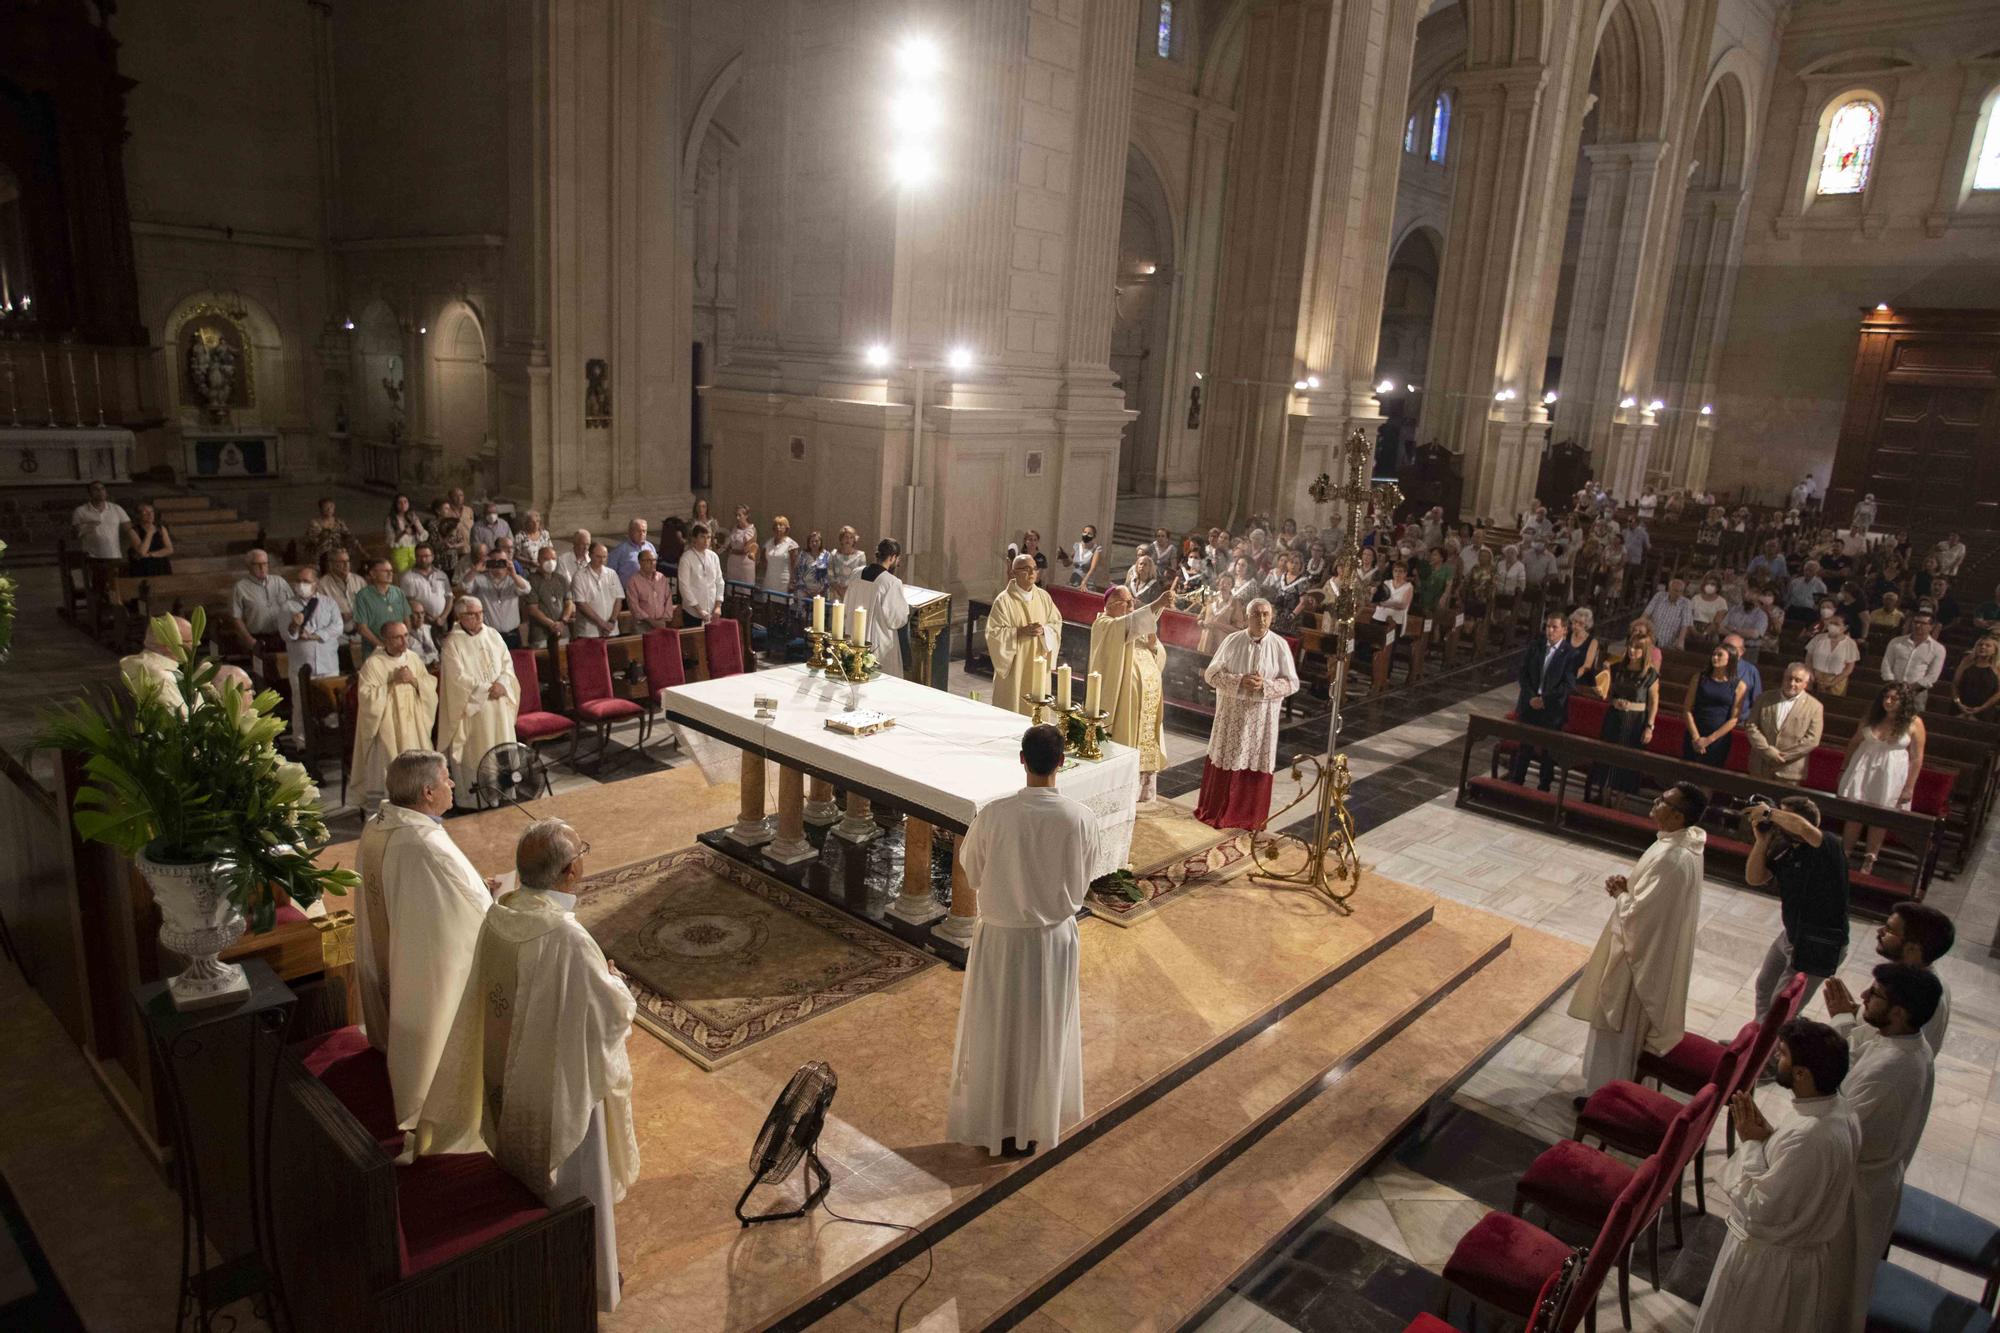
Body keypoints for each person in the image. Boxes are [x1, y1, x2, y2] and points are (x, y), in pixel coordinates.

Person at [418, 819, 638, 1312]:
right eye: (581, 850)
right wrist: (618, 983)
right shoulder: (566, 936)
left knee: (521, 1156)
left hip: (512, 1077)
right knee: (578, 1182)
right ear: (571, 872)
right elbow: (608, 1015)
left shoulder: (501, 913)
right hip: (561, 1085)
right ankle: (587, 1276)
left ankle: (531, 1243)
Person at [946, 724, 1096, 1158]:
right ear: (1063, 763)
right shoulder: (1080, 818)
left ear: (1022, 761)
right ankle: (1034, 1122)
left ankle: (995, 1123)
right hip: (1053, 942)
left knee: (996, 1028)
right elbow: (1084, 880)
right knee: (1044, 1030)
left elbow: (972, 873)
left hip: (1002, 939)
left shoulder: (994, 815)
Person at [355, 750, 494, 1152]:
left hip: (395, 945)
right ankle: (433, 1093)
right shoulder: (425, 843)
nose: (453, 784)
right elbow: (472, 911)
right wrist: (494, 904)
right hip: (426, 958)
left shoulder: (379, 824)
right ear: (428, 791)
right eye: (447, 779)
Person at [1691, 1019, 1858, 1333]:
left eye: (1782, 1055)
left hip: (1768, 1269)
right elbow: (1795, 1176)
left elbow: (1761, 1208)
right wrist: (1769, 1138)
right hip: (1790, 1259)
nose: (1775, 1059)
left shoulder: (1812, 1135)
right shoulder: (1838, 1111)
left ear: (1801, 1073)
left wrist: (1752, 1143)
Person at [1820, 964, 1942, 1333]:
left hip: (1853, 1194)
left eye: (1874, 995)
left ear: (1900, 1013)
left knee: (1829, 1297)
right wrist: (1844, 1022)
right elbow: (1857, 1064)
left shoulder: (1893, 1067)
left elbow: (1835, 1121)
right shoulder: (1907, 1044)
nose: (1863, 998)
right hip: (1871, 1182)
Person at [1568, 782, 1708, 1097]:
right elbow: (1650, 900)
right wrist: (1629, 886)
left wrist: (1620, 894)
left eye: (1664, 800)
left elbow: (1639, 918)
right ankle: (1604, 1090)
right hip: (1647, 951)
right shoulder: (1678, 843)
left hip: (1639, 960)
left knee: (1619, 1030)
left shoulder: (1672, 857)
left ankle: (1607, 1096)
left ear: (1677, 816)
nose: (1656, 800)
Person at [1746, 795, 1850, 1034]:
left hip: (1820, 942)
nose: (1777, 822)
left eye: (1784, 816)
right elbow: (1754, 878)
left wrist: (1769, 812)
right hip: (1792, 934)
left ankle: (1767, 1059)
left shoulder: (1828, 845)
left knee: (1781, 1009)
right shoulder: (1784, 849)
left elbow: (1803, 828)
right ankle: (1756, 1040)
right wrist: (1762, 841)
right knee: (1765, 986)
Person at [1194, 599, 1299, 831]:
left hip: (1263, 720)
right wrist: (1240, 681)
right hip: (1231, 716)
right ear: (1247, 617)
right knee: (1227, 759)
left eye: (1266, 615)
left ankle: (1249, 817)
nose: (1261, 619)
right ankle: (1219, 812)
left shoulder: (1280, 645)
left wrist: (1265, 686)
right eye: (1256, 614)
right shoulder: (1233, 641)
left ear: (1271, 617)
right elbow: (1211, 675)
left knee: (1254, 761)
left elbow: (1292, 683)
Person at [1089, 584, 1169, 804]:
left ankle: (1145, 794)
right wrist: (1158, 604)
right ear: (1110, 604)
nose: (1131, 606)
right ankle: (1120, 797)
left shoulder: (1134, 625)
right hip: (1125, 702)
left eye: (1133, 602)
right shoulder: (1104, 624)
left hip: (1147, 702)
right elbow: (1124, 627)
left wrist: (1153, 643)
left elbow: (1158, 654)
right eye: (1127, 602)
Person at [350, 621, 440, 808]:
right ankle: (388, 813)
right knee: (390, 767)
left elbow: (429, 686)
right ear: (385, 640)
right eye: (397, 637)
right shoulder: (373, 664)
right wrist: (393, 681)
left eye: (406, 635)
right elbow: (367, 699)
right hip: (386, 729)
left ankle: (418, 808)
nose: (404, 641)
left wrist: (414, 680)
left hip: (414, 725)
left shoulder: (413, 659)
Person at [1837, 684, 1925, 873]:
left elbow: (1917, 758)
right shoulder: (1872, 717)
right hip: (1863, 767)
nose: (1888, 701)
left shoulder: (1914, 722)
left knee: (1880, 816)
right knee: (1855, 812)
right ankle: (1845, 853)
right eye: (1886, 697)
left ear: (1904, 701)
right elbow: (1854, 742)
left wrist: (1909, 787)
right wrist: (1843, 768)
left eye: (1894, 698)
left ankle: (1870, 859)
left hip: (1891, 772)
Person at [438, 597, 521, 793]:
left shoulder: (492, 635)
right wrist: (487, 688)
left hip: (499, 705)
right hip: (475, 711)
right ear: (460, 616)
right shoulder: (452, 642)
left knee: (503, 749)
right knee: (478, 752)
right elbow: (456, 678)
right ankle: (480, 798)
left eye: (481, 612)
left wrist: (502, 683)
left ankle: (505, 792)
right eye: (472, 614)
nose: (478, 617)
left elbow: (507, 663)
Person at [1869, 904, 1955, 1055]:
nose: (1879, 931)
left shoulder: (1919, 994)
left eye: (1889, 930)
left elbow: (1886, 1046)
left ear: (1912, 949)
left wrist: (1844, 1018)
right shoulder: (1906, 976)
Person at [986, 555, 1063, 716]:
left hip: (1038, 661)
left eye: (1034, 568)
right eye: (1026, 569)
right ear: (1014, 573)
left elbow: (1056, 623)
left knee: (1038, 709)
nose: (1032, 572)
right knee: (1014, 705)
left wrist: (1044, 631)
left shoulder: (1043, 596)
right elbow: (994, 633)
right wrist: (1019, 632)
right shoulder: (1003, 601)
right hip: (1016, 665)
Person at [1509, 612, 1577, 791]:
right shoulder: (1535, 646)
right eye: (1547, 626)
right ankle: (1516, 783)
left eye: (1554, 627)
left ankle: (1544, 787)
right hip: (1530, 705)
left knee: (1548, 752)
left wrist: (1544, 699)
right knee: (1525, 746)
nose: (1550, 630)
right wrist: (1531, 696)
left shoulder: (1570, 654)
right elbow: (1523, 674)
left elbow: (1568, 685)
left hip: (1551, 709)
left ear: (1564, 630)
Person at [1592, 627, 1658, 798]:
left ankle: (1620, 800)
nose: (1632, 651)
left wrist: (1649, 726)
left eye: (1637, 648)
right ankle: (1603, 795)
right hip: (1614, 716)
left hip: (1635, 720)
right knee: (1608, 754)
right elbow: (1607, 694)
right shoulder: (1617, 668)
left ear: (1644, 652)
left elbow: (1653, 702)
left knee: (1627, 760)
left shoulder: (1650, 674)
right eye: (1630, 646)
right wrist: (1603, 693)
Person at [282, 565, 343, 741]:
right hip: (301, 665)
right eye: (299, 581)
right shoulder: (288, 606)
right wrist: (295, 625)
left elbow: (337, 627)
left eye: (306, 581)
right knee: (301, 704)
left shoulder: (329, 603)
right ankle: (302, 741)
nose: (302, 584)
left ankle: (331, 739)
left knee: (330, 703)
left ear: (315, 584)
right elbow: (287, 634)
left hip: (328, 663)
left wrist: (315, 635)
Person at [1746, 662, 1824, 784]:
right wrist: (1766, 751)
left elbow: (1812, 740)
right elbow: (1752, 726)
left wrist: (1782, 757)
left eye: (1797, 680)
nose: (1792, 683)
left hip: (1789, 771)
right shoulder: (1764, 698)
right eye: (1789, 678)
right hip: (1760, 766)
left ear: (1805, 684)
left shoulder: (1815, 707)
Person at [1682, 642, 1746, 769]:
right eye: (1714, 654)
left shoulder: (1739, 685)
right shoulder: (1699, 678)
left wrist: (1709, 740)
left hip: (1718, 739)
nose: (1715, 658)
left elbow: (1734, 719)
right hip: (1695, 733)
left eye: (1719, 655)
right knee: (1686, 775)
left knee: (1708, 779)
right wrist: (1696, 738)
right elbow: (1687, 709)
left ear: (1730, 659)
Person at [119, 615, 193, 712]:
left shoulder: (131, 662)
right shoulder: (162, 677)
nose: (195, 646)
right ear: (169, 644)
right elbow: (186, 721)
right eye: (190, 641)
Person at [464, 549, 531, 648]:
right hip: (489, 635)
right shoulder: (480, 579)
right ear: (488, 562)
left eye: (501, 561)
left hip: (512, 635)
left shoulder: (513, 580)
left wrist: (514, 574)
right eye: (494, 561)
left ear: (508, 562)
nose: (498, 564)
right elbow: (465, 586)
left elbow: (526, 589)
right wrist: (475, 569)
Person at [1881, 611, 1947, 709]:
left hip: (1917, 693)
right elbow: (1886, 665)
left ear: (1931, 626)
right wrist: (1895, 686)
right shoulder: (1896, 642)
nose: (1918, 625)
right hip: (1892, 689)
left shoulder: (1938, 649)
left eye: (1923, 623)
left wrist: (1910, 688)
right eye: (1915, 622)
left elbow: (1932, 676)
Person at [353, 557, 413, 660]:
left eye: (391, 571)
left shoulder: (398, 592)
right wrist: (382, 646)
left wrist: (404, 641)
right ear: (373, 573)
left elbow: (407, 620)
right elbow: (362, 628)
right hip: (375, 652)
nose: (390, 574)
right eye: (385, 571)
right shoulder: (363, 596)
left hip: (399, 650)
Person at [231, 549, 293, 639]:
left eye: (265, 563)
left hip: (284, 634)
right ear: (249, 566)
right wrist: (250, 641)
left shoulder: (279, 581)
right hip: (257, 637)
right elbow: (236, 618)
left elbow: (294, 606)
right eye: (257, 564)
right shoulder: (240, 587)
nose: (262, 567)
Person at [523, 546, 576, 648]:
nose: (550, 562)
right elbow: (533, 609)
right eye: (546, 559)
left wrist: (563, 621)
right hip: (540, 633)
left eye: (553, 559)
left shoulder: (561, 579)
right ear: (538, 560)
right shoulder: (532, 580)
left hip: (562, 630)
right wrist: (551, 624)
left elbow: (569, 603)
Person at [570, 542, 624, 638]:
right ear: (590, 555)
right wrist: (602, 624)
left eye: (604, 557)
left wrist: (611, 622)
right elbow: (581, 604)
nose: (602, 560)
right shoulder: (579, 576)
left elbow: (618, 599)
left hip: (611, 631)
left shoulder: (612, 574)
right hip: (589, 633)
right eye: (598, 557)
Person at [677, 522, 725, 624]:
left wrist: (718, 606)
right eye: (702, 537)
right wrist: (699, 610)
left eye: (708, 537)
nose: (706, 541)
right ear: (694, 539)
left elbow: (719, 582)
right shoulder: (686, 558)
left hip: (712, 610)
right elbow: (684, 587)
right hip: (693, 612)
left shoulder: (713, 556)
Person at [71, 481, 129, 561]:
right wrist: (86, 526)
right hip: (91, 557)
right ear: (89, 493)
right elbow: (74, 534)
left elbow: (129, 529)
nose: (100, 492)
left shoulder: (116, 508)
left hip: (114, 556)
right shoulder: (80, 511)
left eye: (102, 489)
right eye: (96, 489)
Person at [1806, 611, 1861, 696]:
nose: (1832, 625)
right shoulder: (1818, 638)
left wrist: (1832, 682)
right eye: (1831, 622)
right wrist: (1812, 676)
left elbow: (1849, 668)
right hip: (1815, 678)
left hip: (1836, 681)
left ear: (1845, 627)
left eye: (1836, 624)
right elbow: (1808, 659)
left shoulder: (1850, 644)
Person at [624, 548, 678, 631]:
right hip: (643, 625)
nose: (652, 563)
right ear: (640, 562)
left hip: (662, 623)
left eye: (654, 560)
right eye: (648, 560)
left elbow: (668, 599)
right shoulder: (633, 581)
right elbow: (634, 606)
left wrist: (664, 619)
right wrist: (651, 621)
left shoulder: (661, 578)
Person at [318, 546, 365, 636]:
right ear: (331, 564)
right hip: (338, 635)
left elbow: (369, 606)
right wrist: (338, 616)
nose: (346, 565)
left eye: (347, 561)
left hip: (362, 631)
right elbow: (320, 614)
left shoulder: (359, 580)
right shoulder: (322, 585)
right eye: (342, 562)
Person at [1951, 635, 2000, 719]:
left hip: (1984, 711)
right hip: (1960, 707)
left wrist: (1982, 707)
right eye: (1980, 645)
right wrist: (1959, 703)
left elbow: (1998, 693)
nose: (1983, 647)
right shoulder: (1967, 661)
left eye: (1987, 645)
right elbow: (1955, 684)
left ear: (1994, 651)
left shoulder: (1997, 667)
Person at [1642, 577, 1696, 651]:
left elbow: (1685, 625)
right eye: (1675, 591)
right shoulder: (1659, 596)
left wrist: (1681, 641)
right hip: (1652, 636)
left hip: (1670, 642)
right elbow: (1646, 614)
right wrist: (1640, 629)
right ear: (1669, 589)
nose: (1678, 594)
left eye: (1680, 591)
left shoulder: (1686, 603)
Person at [303, 497, 358, 568]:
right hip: (322, 556)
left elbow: (348, 534)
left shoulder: (339, 522)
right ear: (321, 509)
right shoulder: (315, 523)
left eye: (331, 506)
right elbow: (311, 540)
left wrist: (351, 540)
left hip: (338, 554)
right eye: (326, 507)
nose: (329, 509)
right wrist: (323, 537)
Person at [122, 501, 174, 576]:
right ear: (139, 515)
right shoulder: (133, 531)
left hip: (161, 566)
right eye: (145, 512)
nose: (150, 515)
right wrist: (149, 533)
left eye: (151, 512)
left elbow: (169, 549)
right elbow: (142, 552)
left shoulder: (161, 528)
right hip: (143, 568)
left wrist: (151, 555)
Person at [385, 494, 428, 572]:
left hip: (414, 549)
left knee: (417, 573)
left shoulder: (412, 516)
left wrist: (416, 523)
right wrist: (403, 532)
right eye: (400, 503)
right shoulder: (392, 519)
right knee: (404, 575)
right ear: (396, 505)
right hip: (400, 550)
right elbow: (391, 540)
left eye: (405, 502)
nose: (403, 505)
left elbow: (423, 535)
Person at [605, 518, 655, 583]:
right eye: (638, 531)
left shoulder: (650, 547)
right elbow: (609, 573)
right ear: (630, 532)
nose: (641, 534)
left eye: (644, 531)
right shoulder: (620, 550)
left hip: (648, 589)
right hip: (627, 591)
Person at [1055, 524, 1104, 591]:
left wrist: (1084, 581)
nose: (1086, 535)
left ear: (1094, 536)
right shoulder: (1077, 546)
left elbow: (1093, 568)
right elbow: (1068, 563)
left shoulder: (1096, 549)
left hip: (1087, 584)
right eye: (1085, 532)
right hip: (1074, 581)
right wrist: (1063, 556)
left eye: (1089, 533)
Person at [760, 514, 798, 594]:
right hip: (769, 581)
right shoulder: (768, 543)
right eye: (776, 525)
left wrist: (792, 582)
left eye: (781, 525)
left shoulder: (791, 545)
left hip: (784, 582)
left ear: (786, 528)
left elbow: (794, 565)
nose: (778, 527)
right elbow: (763, 562)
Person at [826, 526, 867, 600]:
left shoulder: (861, 556)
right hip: (836, 592)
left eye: (851, 537)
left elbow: (861, 576)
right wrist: (839, 589)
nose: (848, 540)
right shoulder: (834, 554)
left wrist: (847, 590)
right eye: (846, 537)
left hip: (853, 593)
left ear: (854, 540)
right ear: (841, 539)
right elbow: (830, 574)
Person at [723, 504, 758, 584]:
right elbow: (728, 544)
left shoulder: (751, 530)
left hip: (745, 564)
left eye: (740, 515)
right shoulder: (734, 528)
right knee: (732, 587)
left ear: (746, 516)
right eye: (736, 515)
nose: (737, 518)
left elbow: (746, 549)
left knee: (744, 588)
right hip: (733, 563)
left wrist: (732, 551)